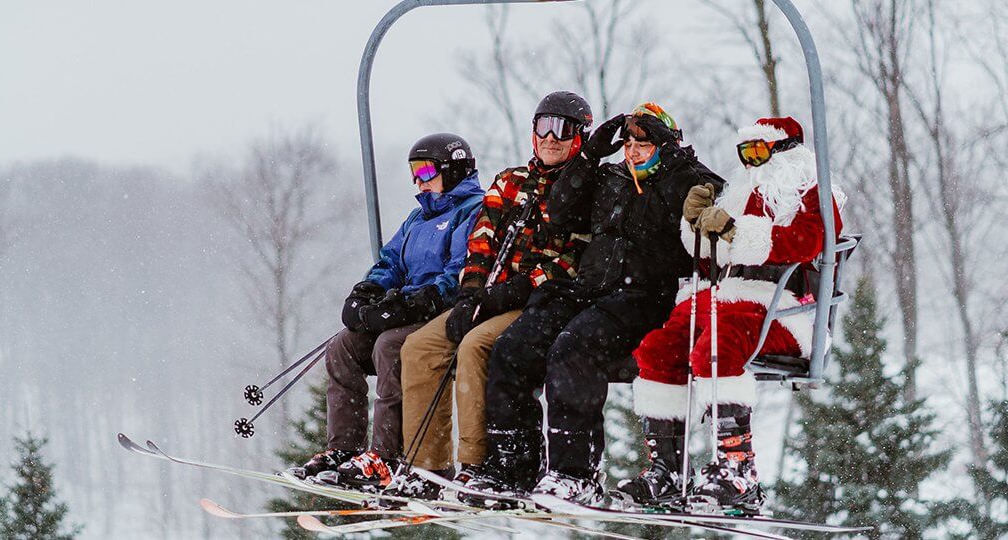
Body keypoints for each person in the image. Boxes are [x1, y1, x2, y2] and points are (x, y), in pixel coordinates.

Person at [465, 103, 725, 505]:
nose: (634, 151)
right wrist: (589, 154)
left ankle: (574, 473)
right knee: (514, 347)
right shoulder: (611, 179)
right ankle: (512, 465)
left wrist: (671, 154)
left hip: (643, 295)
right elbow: (560, 215)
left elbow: (712, 188)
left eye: (646, 143)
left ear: (667, 146)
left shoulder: (681, 180)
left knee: (574, 348)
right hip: (589, 289)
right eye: (630, 143)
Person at [616, 117, 845, 514]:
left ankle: (738, 468)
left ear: (788, 151)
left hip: (783, 308)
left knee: (717, 347)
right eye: (746, 152)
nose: (752, 162)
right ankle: (668, 469)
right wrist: (698, 228)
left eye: (760, 151)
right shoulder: (738, 194)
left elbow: (807, 242)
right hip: (724, 297)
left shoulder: (812, 194)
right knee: (657, 348)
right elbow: (714, 260)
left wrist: (739, 233)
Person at [386, 92, 593, 499]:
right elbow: (482, 239)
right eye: (543, 127)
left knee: (475, 346)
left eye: (563, 129)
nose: (551, 138)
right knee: (419, 348)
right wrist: (470, 294)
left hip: (531, 300)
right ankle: (427, 466)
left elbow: (570, 260)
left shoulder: (582, 189)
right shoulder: (511, 181)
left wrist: (508, 293)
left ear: (579, 136)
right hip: (490, 295)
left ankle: (476, 462)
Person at [287, 133, 485, 492]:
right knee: (344, 346)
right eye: (414, 171)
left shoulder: (472, 211)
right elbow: (391, 260)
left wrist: (409, 305)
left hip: (440, 312)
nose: (418, 180)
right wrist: (369, 291)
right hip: (408, 309)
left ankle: (386, 455)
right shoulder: (418, 217)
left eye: (426, 170)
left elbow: (459, 272)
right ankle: (343, 447)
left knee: (389, 347)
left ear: (453, 169)